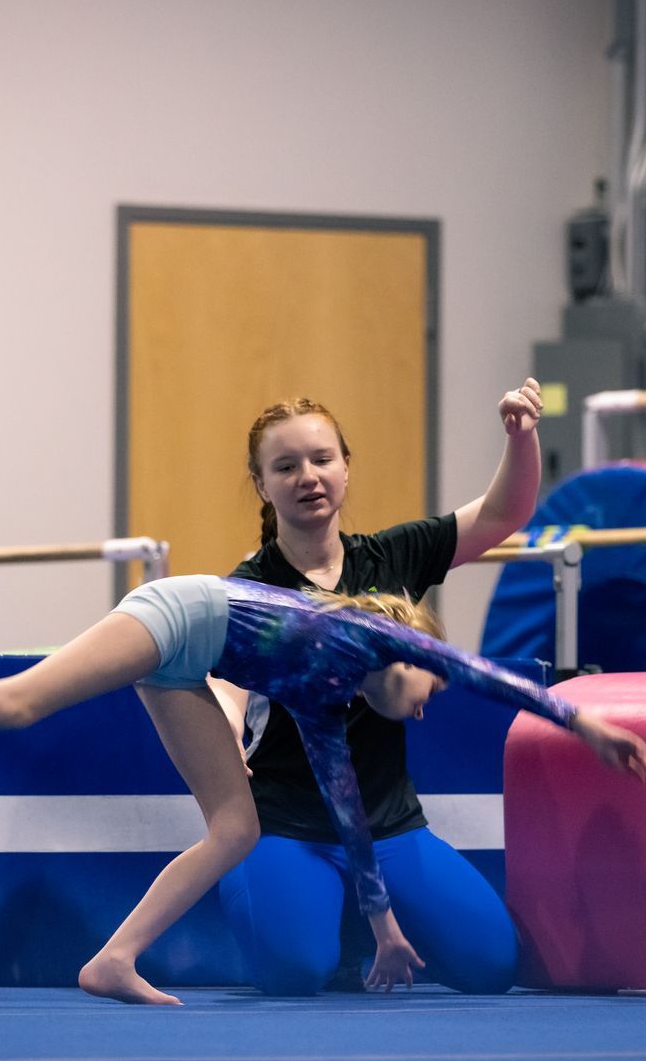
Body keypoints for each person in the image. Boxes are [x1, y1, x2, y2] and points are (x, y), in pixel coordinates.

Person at [0, 573, 646, 1006]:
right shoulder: (364, 634)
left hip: (190, 663)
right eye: (428, 690)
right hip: (177, 614)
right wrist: (583, 722)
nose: (429, 710)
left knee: (236, 825)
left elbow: (346, 806)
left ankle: (112, 958)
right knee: (22, 701)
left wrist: (385, 923)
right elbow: (487, 674)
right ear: (409, 652)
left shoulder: (326, 696)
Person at [212, 382, 553, 996]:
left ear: (346, 465)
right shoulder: (250, 588)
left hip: (388, 825)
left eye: (322, 459)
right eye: (285, 467)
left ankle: (359, 915)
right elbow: (224, 683)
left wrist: (520, 437)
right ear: (262, 485)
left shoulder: (393, 558)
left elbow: (505, 514)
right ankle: (287, 899)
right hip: (288, 826)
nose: (308, 477)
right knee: (297, 972)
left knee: (491, 966)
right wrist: (226, 731)